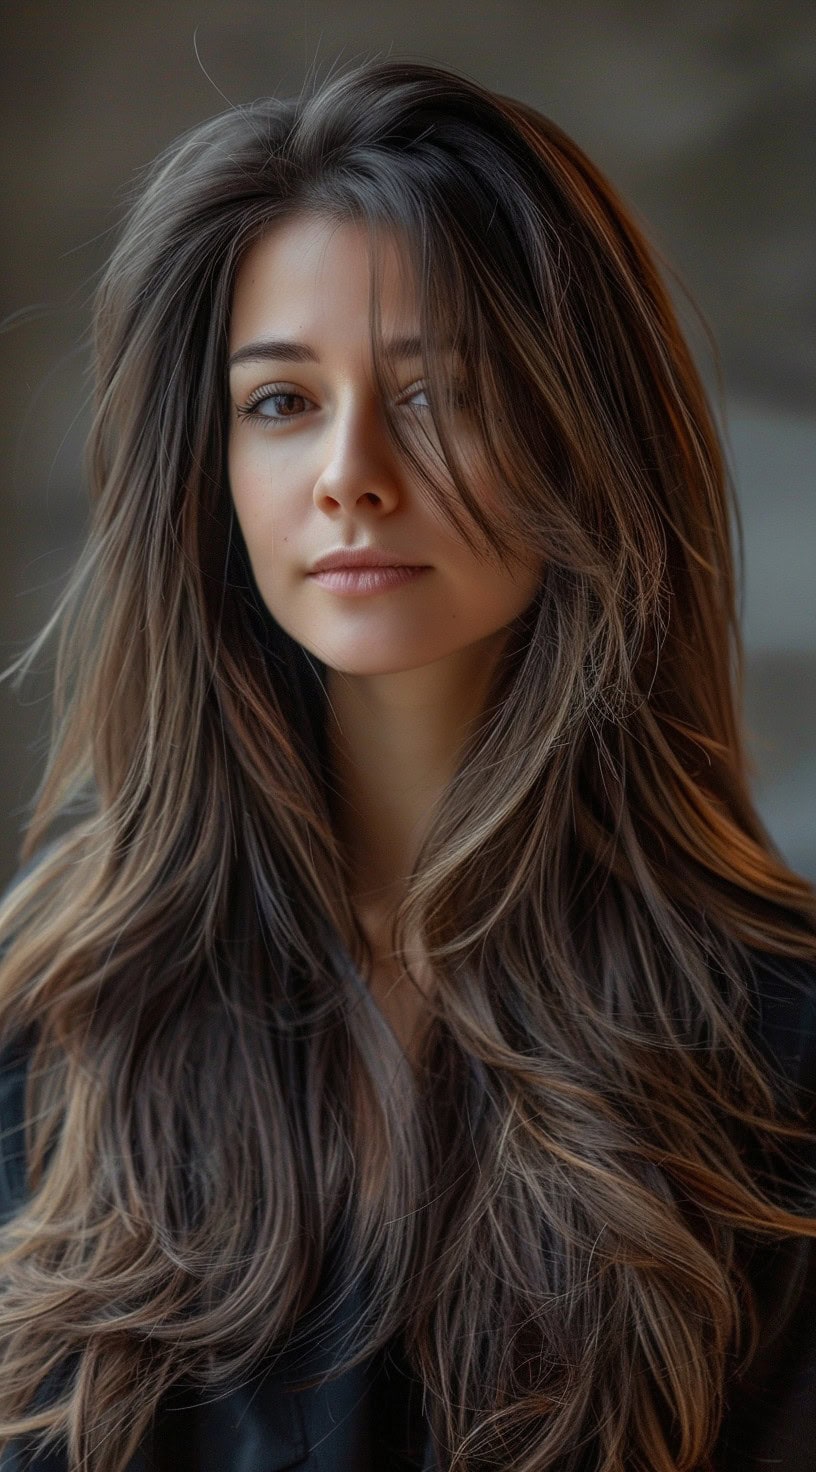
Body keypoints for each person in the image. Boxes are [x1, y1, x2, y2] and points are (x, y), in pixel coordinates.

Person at [0, 54, 815, 1472]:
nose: (350, 473)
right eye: (279, 403)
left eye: (438, 394)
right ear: (208, 473)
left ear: (588, 438)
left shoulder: (775, 1045)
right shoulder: (55, 1013)